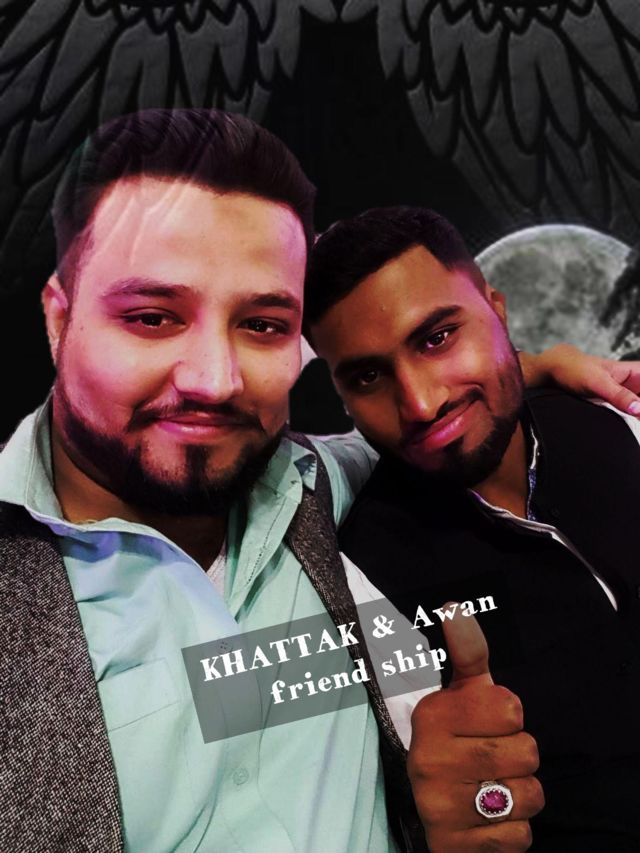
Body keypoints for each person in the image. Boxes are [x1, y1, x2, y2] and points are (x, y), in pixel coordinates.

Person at [0, 110, 635, 853]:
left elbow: (435, 416)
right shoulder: (20, 592)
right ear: (59, 318)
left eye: (263, 325)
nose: (214, 380)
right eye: (152, 317)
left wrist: (533, 368)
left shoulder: (311, 485)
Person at [305, 205, 640, 852]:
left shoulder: (618, 418)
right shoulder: (366, 580)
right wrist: (425, 824)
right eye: (368, 376)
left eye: (437, 338)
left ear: (497, 309)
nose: (421, 402)